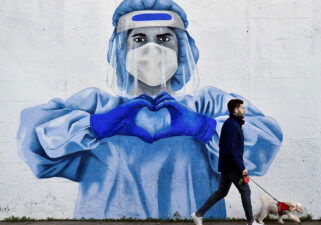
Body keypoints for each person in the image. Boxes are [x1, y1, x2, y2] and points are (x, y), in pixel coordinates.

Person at [17, 0, 282, 219]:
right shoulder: (97, 106)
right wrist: (95, 126)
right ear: (122, 49)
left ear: (182, 48)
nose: (152, 49)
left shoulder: (207, 105)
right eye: (139, 39)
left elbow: (266, 139)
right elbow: (35, 145)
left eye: (165, 38)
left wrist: (207, 127)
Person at [192, 99, 261, 225]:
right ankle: (251, 221)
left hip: (228, 164)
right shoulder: (232, 125)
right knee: (245, 190)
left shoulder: (233, 124)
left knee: (222, 192)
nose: (244, 110)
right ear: (235, 110)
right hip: (232, 166)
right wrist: (241, 167)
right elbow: (231, 149)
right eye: (242, 108)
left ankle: (198, 214)